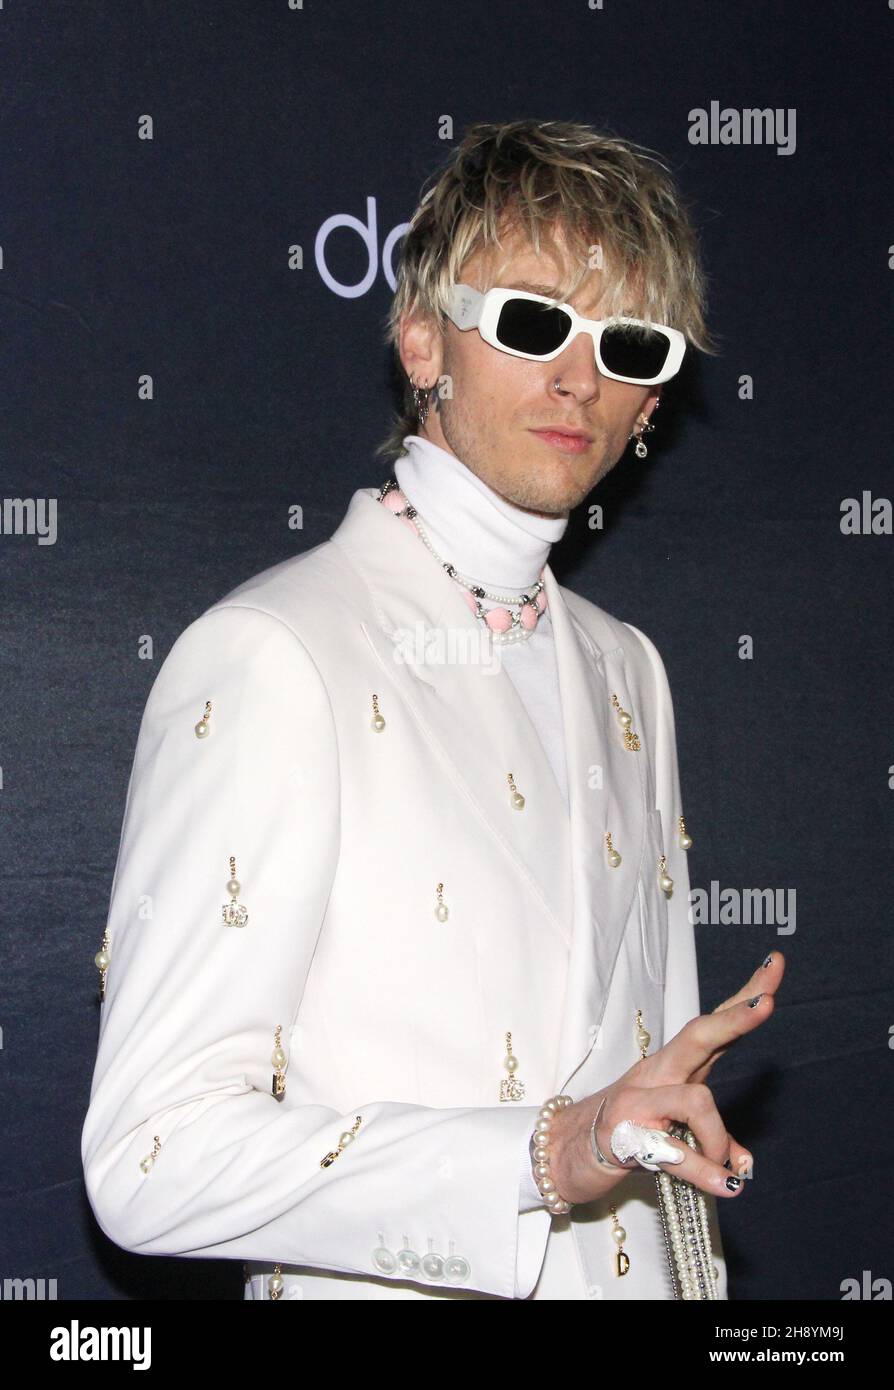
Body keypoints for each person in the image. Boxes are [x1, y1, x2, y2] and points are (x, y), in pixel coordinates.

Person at [81, 119, 784, 1300]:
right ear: (421, 342)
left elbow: (646, 1103)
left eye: (629, 342)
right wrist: (539, 1156)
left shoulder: (631, 671)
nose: (581, 377)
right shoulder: (275, 654)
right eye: (530, 321)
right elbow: (149, 1158)